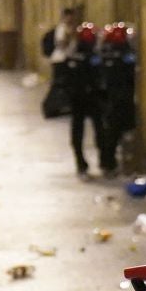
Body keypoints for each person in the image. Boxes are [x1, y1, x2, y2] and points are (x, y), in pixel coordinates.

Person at [63, 22, 105, 179]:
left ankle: (81, 163)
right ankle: (103, 161)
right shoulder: (93, 58)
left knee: (78, 131)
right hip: (92, 98)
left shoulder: (72, 56)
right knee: (99, 129)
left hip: (77, 99)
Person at [98, 22, 137, 176]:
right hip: (123, 100)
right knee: (122, 133)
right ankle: (123, 164)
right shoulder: (126, 55)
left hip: (110, 101)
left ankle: (109, 163)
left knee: (110, 134)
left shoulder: (103, 55)